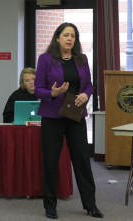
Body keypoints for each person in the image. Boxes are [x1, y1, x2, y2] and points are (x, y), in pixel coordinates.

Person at [34, 22, 104, 219]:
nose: (70, 39)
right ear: (57, 38)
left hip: (75, 114)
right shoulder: (46, 59)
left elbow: (89, 85)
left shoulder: (81, 59)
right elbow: (38, 88)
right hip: (52, 116)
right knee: (50, 161)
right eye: (66, 35)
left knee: (82, 160)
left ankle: (91, 205)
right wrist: (53, 92)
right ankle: (50, 206)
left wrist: (85, 95)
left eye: (73, 35)